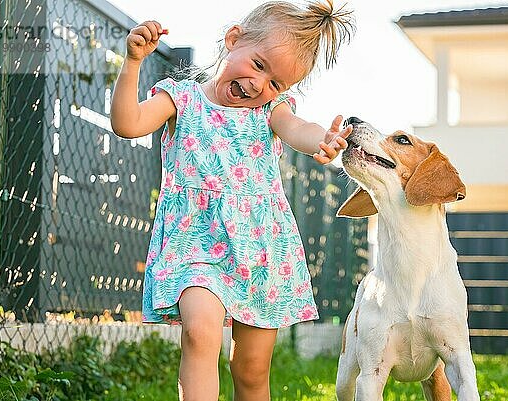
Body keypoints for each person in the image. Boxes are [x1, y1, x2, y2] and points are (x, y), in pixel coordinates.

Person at [110, 1, 355, 399]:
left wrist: (322, 142)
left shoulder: (270, 111)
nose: (261, 86)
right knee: (200, 332)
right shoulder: (181, 98)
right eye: (259, 65)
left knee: (252, 371)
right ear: (233, 39)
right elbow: (127, 123)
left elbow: (297, 129)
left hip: (258, 249)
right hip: (196, 244)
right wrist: (133, 62)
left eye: (276, 83)